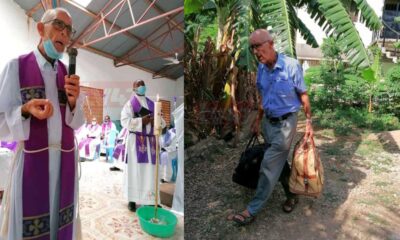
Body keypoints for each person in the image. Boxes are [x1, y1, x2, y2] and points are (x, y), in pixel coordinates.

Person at [0, 7, 84, 239]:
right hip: (32, 163)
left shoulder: (68, 75)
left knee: (60, 224)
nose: (65, 34)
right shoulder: (16, 67)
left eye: (69, 30)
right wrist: (25, 111)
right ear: (40, 28)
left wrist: (75, 102)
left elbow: (77, 124)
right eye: (59, 25)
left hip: (64, 163)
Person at [229, 29, 314, 225]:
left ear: (271, 44)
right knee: (279, 161)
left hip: (286, 123)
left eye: (258, 46)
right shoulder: (261, 69)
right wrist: (258, 120)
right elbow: (263, 97)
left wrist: (309, 121)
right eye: (253, 48)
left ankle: (252, 210)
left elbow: (303, 95)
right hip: (268, 122)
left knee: (268, 165)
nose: (256, 52)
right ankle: (292, 195)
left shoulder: (291, 66)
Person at [120, 80, 165, 212]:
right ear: (134, 88)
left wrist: (156, 120)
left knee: (151, 172)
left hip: (150, 141)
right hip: (136, 140)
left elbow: (161, 122)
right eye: (138, 85)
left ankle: (151, 200)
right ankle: (132, 199)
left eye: (143, 84)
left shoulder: (152, 104)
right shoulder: (129, 104)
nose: (141, 87)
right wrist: (142, 121)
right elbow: (124, 121)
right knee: (134, 170)